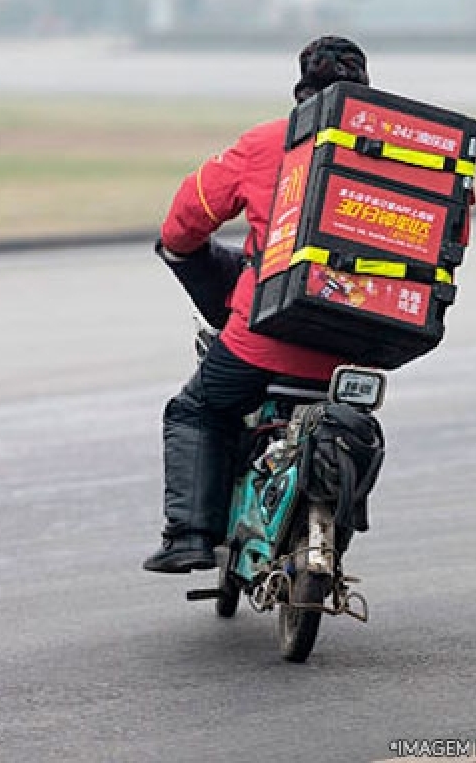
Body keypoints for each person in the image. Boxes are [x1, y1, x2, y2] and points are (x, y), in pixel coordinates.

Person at [143, 36, 372, 574]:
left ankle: (190, 536)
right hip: (360, 348)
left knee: (196, 410)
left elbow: (186, 219)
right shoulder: (406, 159)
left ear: (301, 90)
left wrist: (180, 249)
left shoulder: (270, 142)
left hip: (262, 344)